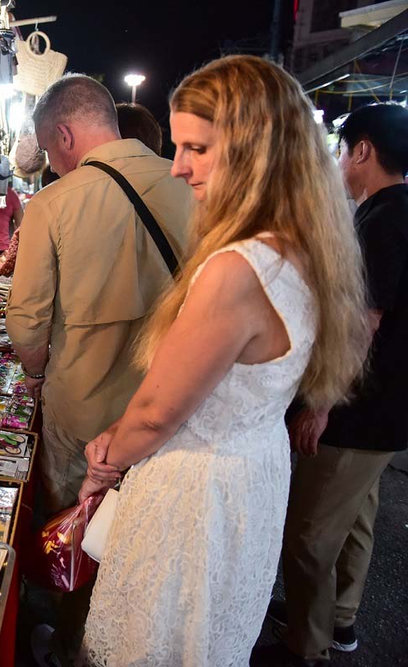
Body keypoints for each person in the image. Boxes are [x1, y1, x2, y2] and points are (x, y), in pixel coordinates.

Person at [77, 55, 370, 666]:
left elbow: (158, 412)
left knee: (157, 643)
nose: (179, 167)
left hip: (197, 490)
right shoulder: (305, 249)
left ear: (256, 150)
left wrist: (106, 459)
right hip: (251, 476)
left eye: (198, 148)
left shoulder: (239, 268)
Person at [6, 74, 191, 518]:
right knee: (145, 524)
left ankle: (69, 592)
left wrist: (35, 374)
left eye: (50, 150)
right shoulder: (193, 190)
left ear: (64, 134)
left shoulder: (52, 204)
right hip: (172, 405)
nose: (51, 165)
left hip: (82, 411)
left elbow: (27, 319)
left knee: (72, 524)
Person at [268, 103, 408, 665]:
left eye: (342, 150)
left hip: (357, 412)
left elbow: (361, 325)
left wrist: (321, 405)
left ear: (364, 151)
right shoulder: (394, 211)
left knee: (308, 535)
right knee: (354, 521)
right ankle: (341, 619)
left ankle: (308, 644)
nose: (338, 162)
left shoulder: (382, 220)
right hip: (384, 412)